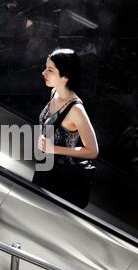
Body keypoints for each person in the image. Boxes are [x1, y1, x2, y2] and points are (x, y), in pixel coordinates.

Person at [32, 48, 99, 209]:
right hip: (45, 168)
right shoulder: (54, 92)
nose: (43, 73)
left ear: (65, 76)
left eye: (50, 70)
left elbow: (93, 151)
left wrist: (53, 148)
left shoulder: (76, 110)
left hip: (61, 178)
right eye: (45, 67)